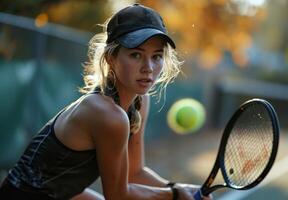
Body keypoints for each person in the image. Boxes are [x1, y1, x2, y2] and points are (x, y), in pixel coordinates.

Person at [0, 3, 212, 200]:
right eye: (136, 55)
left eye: (156, 56)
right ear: (111, 57)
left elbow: (134, 174)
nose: (148, 67)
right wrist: (174, 194)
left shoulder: (140, 102)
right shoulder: (107, 115)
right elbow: (118, 195)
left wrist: (181, 189)